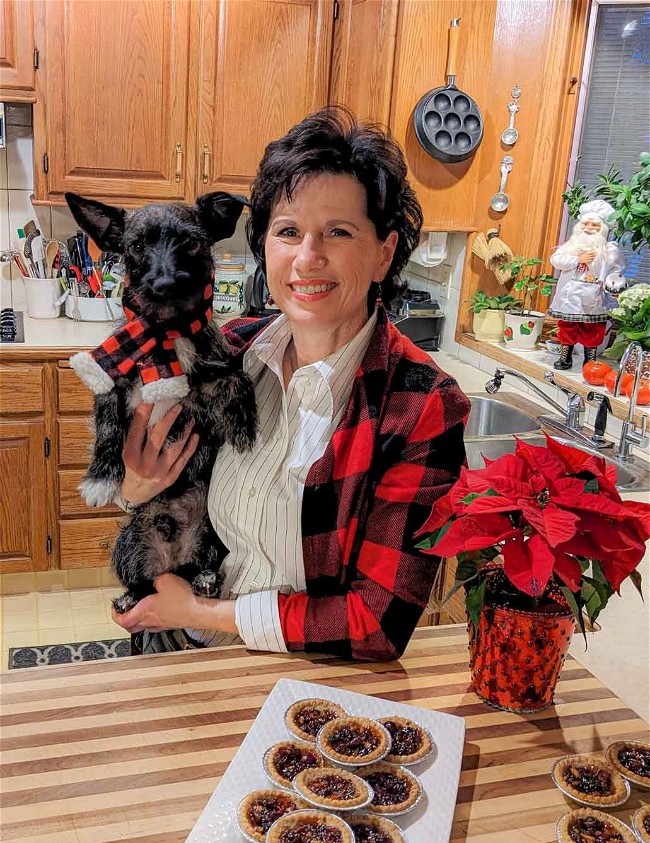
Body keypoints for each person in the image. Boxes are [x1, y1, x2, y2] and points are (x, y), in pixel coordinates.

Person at [112, 107, 470, 661]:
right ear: (264, 248)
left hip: (315, 676)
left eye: (339, 231)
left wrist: (200, 613)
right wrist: (134, 488)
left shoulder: (419, 406)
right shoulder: (231, 353)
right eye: (288, 231)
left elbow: (376, 622)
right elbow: (163, 481)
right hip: (185, 648)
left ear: (384, 253)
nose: (308, 257)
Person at [548, 199, 626, 370]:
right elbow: (556, 260)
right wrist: (577, 260)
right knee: (567, 328)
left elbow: (615, 271)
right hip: (569, 297)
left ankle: (589, 360)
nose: (589, 228)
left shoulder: (609, 250)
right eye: (586, 223)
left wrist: (615, 284)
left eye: (594, 225)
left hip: (593, 299)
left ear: (603, 228)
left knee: (593, 329)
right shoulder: (571, 246)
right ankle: (565, 356)